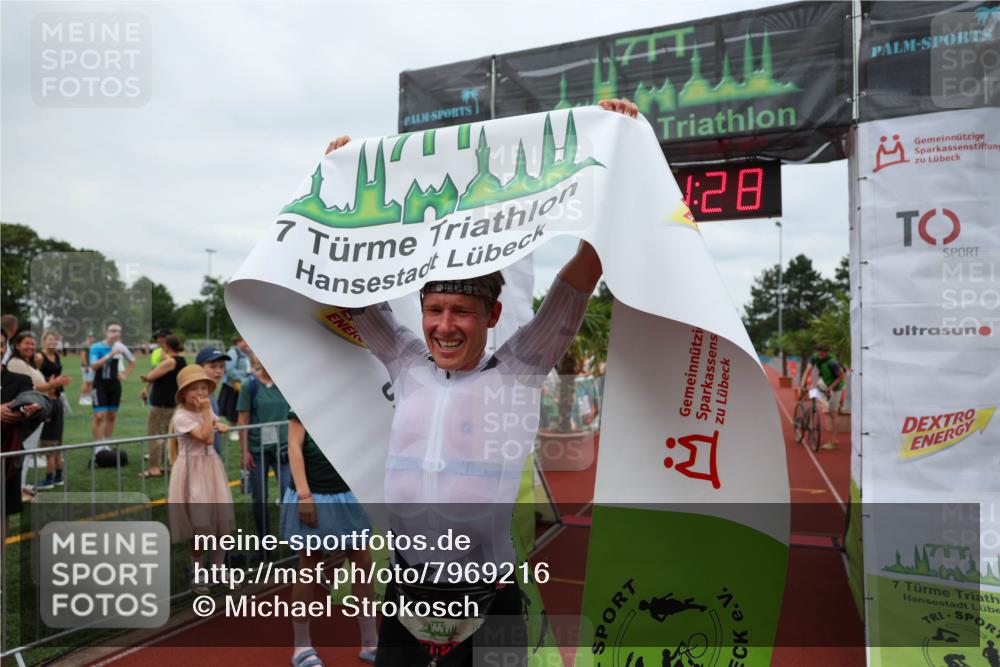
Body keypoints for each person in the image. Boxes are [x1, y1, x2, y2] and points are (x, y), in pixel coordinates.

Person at [328, 97, 637, 667]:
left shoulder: (520, 369)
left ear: (492, 316)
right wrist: (345, 192)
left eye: (462, 312)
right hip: (403, 596)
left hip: (489, 605)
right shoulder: (403, 358)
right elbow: (350, 282)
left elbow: (580, 277)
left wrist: (615, 151)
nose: (445, 326)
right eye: (434, 309)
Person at [282, 408, 377, 666]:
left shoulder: (353, 396)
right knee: (309, 568)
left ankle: (370, 641)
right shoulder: (304, 395)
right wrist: (304, 495)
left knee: (363, 563)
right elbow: (294, 446)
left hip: (349, 492)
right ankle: (301, 647)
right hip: (315, 494)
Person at [167, 364, 234, 594]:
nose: (201, 393)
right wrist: (208, 414)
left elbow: (211, 424)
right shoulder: (181, 416)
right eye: (194, 389)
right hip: (192, 471)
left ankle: (217, 568)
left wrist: (216, 422)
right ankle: (197, 574)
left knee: (220, 522)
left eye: (204, 388)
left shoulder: (205, 410)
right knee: (200, 526)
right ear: (184, 393)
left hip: (211, 467)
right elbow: (206, 437)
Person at [7, 331, 71, 495]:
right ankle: (18, 487)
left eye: (33, 344)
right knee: (24, 450)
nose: (30, 346)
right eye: (26, 343)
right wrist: (53, 384)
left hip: (37, 411)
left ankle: (22, 484)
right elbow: (28, 389)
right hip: (26, 412)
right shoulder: (16, 363)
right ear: (17, 345)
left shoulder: (29, 363)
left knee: (29, 450)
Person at [237, 356, 291, 545]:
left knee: (288, 495)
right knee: (260, 497)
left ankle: (292, 544)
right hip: (257, 451)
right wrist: (244, 451)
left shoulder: (286, 383)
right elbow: (243, 420)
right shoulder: (249, 386)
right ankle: (264, 544)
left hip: (283, 450)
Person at [1, 330, 43, 537]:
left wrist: (31, 410)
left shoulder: (20, 380)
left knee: (2, 512)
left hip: (6, 457)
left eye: (0, 344)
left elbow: (35, 405)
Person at [139, 334, 187, 478]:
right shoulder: (182, 360)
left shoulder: (170, 361)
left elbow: (151, 376)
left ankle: (154, 468)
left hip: (162, 404)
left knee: (155, 436)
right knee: (172, 436)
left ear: (166, 346)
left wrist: (145, 377)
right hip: (174, 402)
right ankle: (173, 465)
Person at [89, 323, 136, 441]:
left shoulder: (121, 347)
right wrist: (111, 354)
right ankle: (98, 447)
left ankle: (106, 443)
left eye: (119, 331)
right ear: (106, 332)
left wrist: (124, 374)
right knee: (99, 416)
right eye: (113, 330)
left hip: (114, 385)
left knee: (112, 416)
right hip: (99, 385)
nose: (116, 333)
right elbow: (94, 365)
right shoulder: (96, 347)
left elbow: (133, 362)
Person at [37, 330, 71, 489]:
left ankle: (50, 479)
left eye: (56, 340)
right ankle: (58, 477)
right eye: (50, 339)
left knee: (52, 442)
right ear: (44, 340)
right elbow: (35, 376)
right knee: (53, 441)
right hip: (46, 398)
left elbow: (56, 377)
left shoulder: (56, 356)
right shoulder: (39, 357)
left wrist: (60, 381)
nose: (53, 342)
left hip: (55, 401)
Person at [799, 343, 848, 451]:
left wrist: (830, 387)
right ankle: (813, 411)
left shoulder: (833, 363)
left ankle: (834, 442)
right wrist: (802, 385)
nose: (821, 354)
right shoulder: (815, 358)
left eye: (823, 352)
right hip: (825, 380)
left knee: (833, 413)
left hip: (836, 386)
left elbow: (841, 377)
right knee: (815, 388)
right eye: (819, 351)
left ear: (827, 352)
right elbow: (808, 370)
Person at [195, 347, 231, 456]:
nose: (219, 371)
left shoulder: (210, 392)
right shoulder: (197, 395)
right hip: (200, 457)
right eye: (213, 366)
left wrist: (215, 424)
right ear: (199, 368)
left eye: (221, 366)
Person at [219, 337, 251, 435]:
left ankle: (236, 431)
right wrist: (243, 378)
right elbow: (229, 369)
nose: (246, 344)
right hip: (233, 386)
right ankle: (232, 432)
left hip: (242, 386)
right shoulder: (233, 352)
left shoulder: (246, 353)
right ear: (238, 342)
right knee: (233, 410)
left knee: (240, 409)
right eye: (244, 341)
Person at [78, 334, 96, 405]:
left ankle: (87, 397)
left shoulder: (92, 345)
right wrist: (86, 366)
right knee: (86, 382)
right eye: (90, 337)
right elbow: (83, 355)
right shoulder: (85, 345)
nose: (92, 338)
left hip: (91, 366)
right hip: (87, 367)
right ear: (88, 338)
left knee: (89, 382)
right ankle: (82, 398)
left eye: (93, 337)